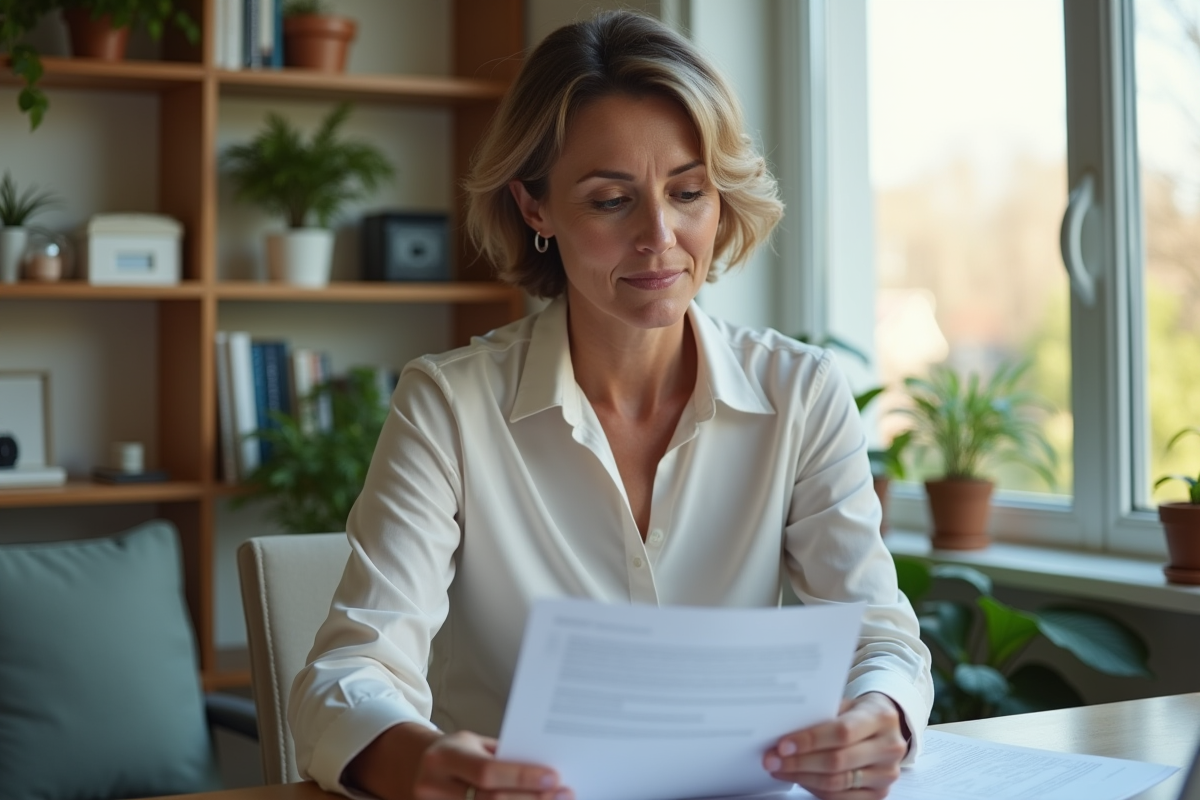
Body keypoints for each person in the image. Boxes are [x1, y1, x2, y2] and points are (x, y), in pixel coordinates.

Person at [289, 10, 933, 800]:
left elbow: (879, 636)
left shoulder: (800, 392)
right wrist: (427, 766)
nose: (660, 236)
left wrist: (880, 715)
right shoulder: (448, 405)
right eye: (609, 201)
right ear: (535, 208)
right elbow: (348, 675)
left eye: (688, 192)